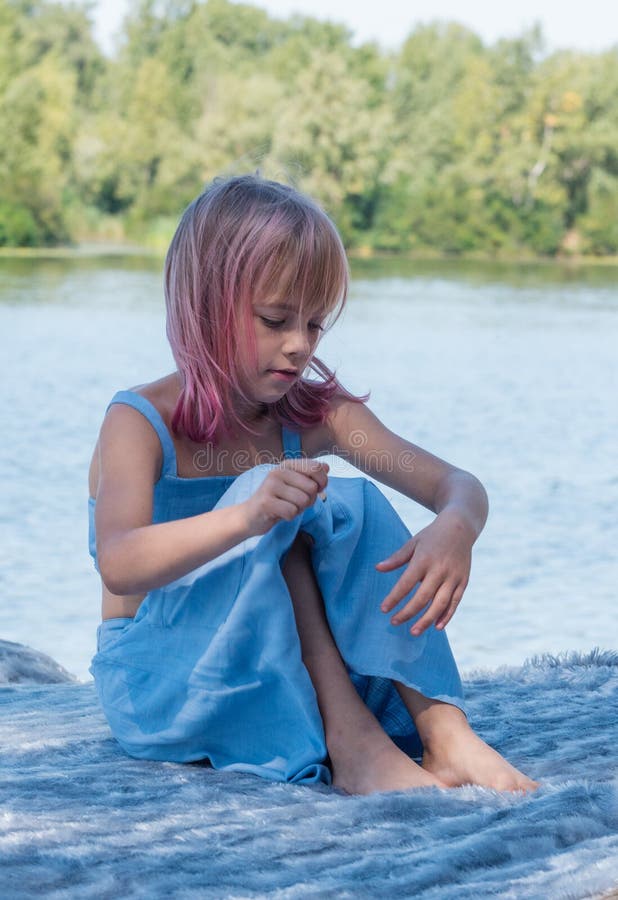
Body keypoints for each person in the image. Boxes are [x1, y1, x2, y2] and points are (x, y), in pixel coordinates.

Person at [88, 173, 537, 795]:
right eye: (275, 319)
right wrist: (248, 516)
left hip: (274, 662)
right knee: (276, 499)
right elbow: (120, 564)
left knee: (343, 503)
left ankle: (444, 732)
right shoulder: (139, 423)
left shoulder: (313, 413)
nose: (299, 345)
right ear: (204, 304)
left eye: (315, 325)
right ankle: (353, 742)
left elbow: (454, 483)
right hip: (162, 678)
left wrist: (456, 525)